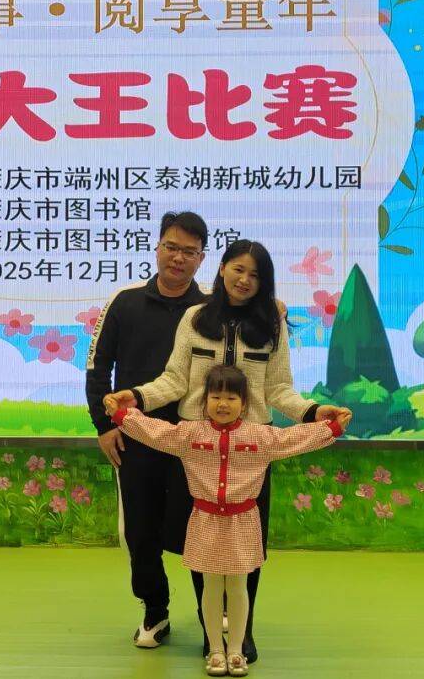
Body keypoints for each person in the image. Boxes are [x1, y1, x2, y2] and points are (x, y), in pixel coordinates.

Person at [103, 239, 351, 662]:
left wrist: (314, 412)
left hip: (251, 448)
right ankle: (211, 635)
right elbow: (174, 380)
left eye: (255, 275)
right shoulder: (194, 317)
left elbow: (278, 388)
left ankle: (242, 633)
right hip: (198, 445)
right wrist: (137, 397)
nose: (245, 280)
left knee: (246, 545)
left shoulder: (272, 325)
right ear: (221, 269)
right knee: (202, 543)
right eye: (238, 269)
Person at [105, 365, 347, 676]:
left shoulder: (261, 436)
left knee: (238, 587)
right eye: (215, 397)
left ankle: (235, 650)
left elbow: (294, 437)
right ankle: (215, 651)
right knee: (209, 587)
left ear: (244, 404)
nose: (223, 404)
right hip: (204, 520)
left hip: (243, 521)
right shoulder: (188, 434)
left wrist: (332, 428)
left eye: (231, 398)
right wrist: (121, 415)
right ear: (203, 401)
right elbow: (154, 431)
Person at [86, 211, 211, 649]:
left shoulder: (211, 308)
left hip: (196, 439)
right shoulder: (124, 302)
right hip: (136, 436)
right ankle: (155, 611)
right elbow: (97, 367)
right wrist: (104, 426)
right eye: (171, 247)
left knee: (202, 529)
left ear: (201, 258)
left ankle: (211, 617)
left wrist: (275, 306)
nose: (178, 258)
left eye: (189, 252)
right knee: (140, 532)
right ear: (157, 247)